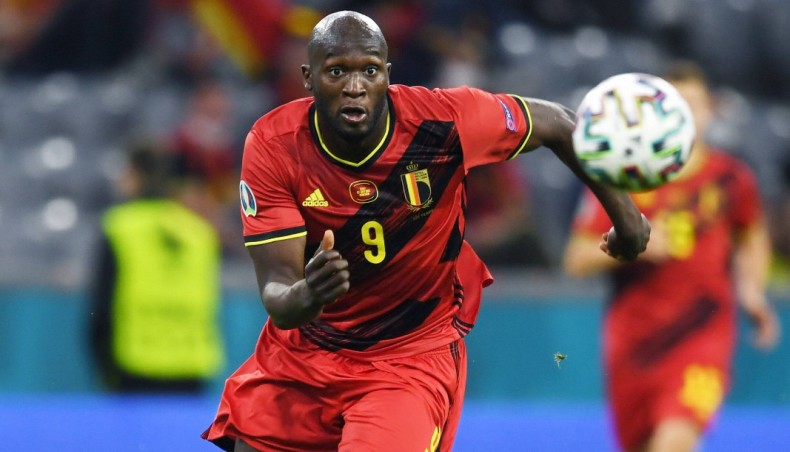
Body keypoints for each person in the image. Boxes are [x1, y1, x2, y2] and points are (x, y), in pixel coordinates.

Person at [202, 10, 649, 452]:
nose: (355, 87)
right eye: (337, 71)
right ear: (308, 77)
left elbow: (560, 124)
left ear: (387, 74)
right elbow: (279, 293)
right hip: (306, 354)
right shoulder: (274, 145)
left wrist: (626, 219)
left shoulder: (443, 121)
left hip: (408, 359)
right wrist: (309, 293)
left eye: (369, 71)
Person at [562, 61, 781, 452]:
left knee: (674, 441)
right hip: (633, 345)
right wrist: (633, 244)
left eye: (695, 104)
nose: (689, 115)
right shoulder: (622, 180)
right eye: (677, 104)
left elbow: (751, 232)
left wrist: (751, 290)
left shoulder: (731, 179)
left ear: (711, 110)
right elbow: (576, 258)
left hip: (703, 337)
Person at [90, 140, 224, 393]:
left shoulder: (119, 227)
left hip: (134, 366)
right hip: (191, 367)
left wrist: (104, 368)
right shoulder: (200, 233)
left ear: (136, 175)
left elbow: (102, 309)